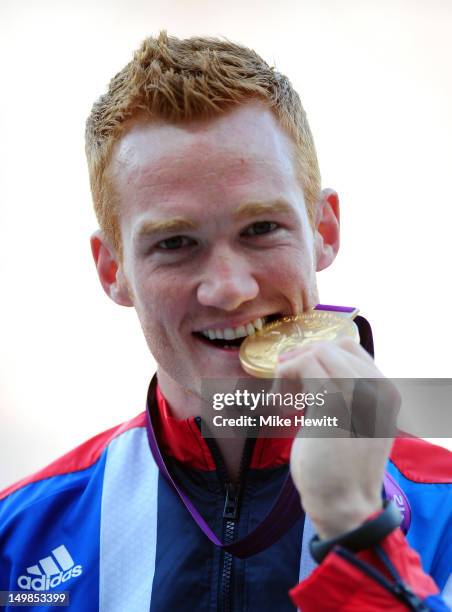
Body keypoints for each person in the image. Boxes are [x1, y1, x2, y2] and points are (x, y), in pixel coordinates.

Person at [0, 32, 451, 611]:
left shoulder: (443, 508)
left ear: (325, 230)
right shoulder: (20, 540)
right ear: (112, 269)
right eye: (175, 243)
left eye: (261, 229)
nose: (230, 288)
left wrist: (355, 528)